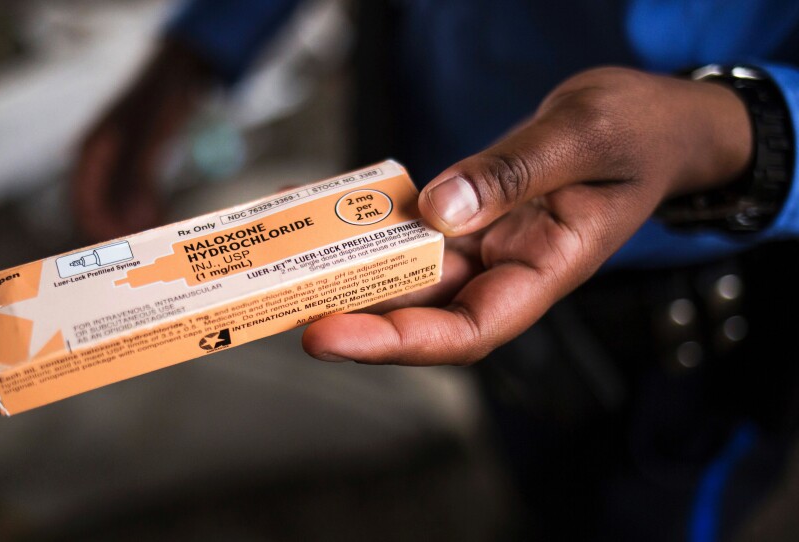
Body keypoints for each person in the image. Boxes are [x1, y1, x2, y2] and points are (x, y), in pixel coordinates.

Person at [73, 1, 799, 539]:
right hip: (457, 249)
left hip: (687, 324)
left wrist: (726, 132)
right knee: (530, 477)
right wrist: (198, 50)